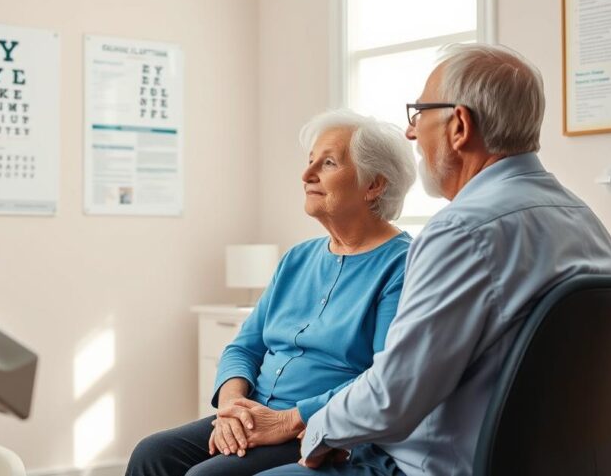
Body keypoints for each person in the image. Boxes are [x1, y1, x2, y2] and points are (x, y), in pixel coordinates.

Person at [232, 44, 611, 475]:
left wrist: (304, 426)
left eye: (419, 114)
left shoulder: (460, 232)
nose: (411, 133)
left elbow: (392, 398)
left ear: (459, 125)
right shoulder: (585, 222)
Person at [126, 110, 417, 476]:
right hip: (254, 412)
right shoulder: (297, 258)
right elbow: (244, 347)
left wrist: (287, 419)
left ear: (374, 184)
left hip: (320, 428)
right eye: (310, 161)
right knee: (151, 454)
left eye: (327, 163)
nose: (306, 175)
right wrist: (232, 406)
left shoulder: (402, 266)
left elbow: (384, 378)